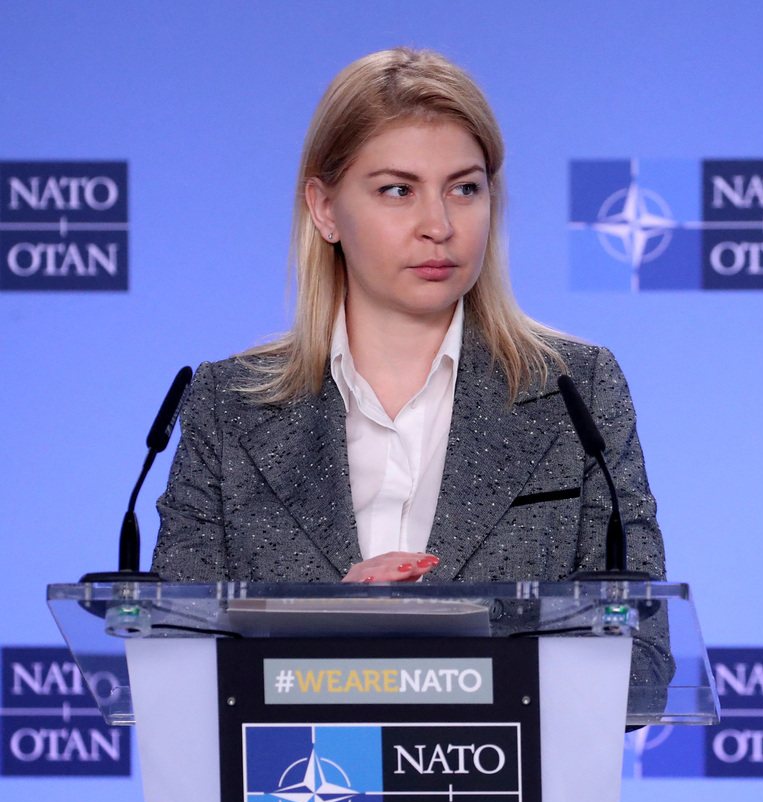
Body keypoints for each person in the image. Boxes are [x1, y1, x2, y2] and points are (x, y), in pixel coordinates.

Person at [150, 48, 664, 589]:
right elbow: (182, 632)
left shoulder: (575, 389)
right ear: (324, 209)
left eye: (464, 189)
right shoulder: (228, 405)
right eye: (398, 190)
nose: (438, 225)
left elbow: (636, 629)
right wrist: (331, 622)